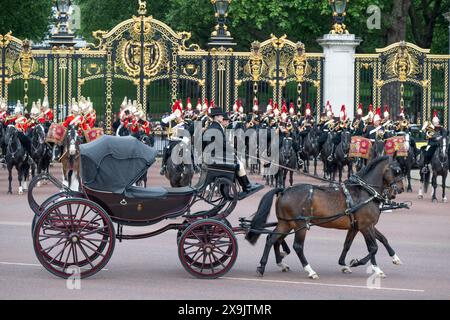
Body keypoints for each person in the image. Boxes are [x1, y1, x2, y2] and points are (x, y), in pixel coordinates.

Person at [204, 107, 263, 194]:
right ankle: (246, 186)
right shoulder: (216, 127)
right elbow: (222, 144)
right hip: (216, 156)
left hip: (213, 155)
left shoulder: (212, 126)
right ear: (216, 117)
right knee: (239, 163)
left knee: (237, 161)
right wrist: (232, 150)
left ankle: (246, 185)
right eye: (221, 116)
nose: (222, 118)